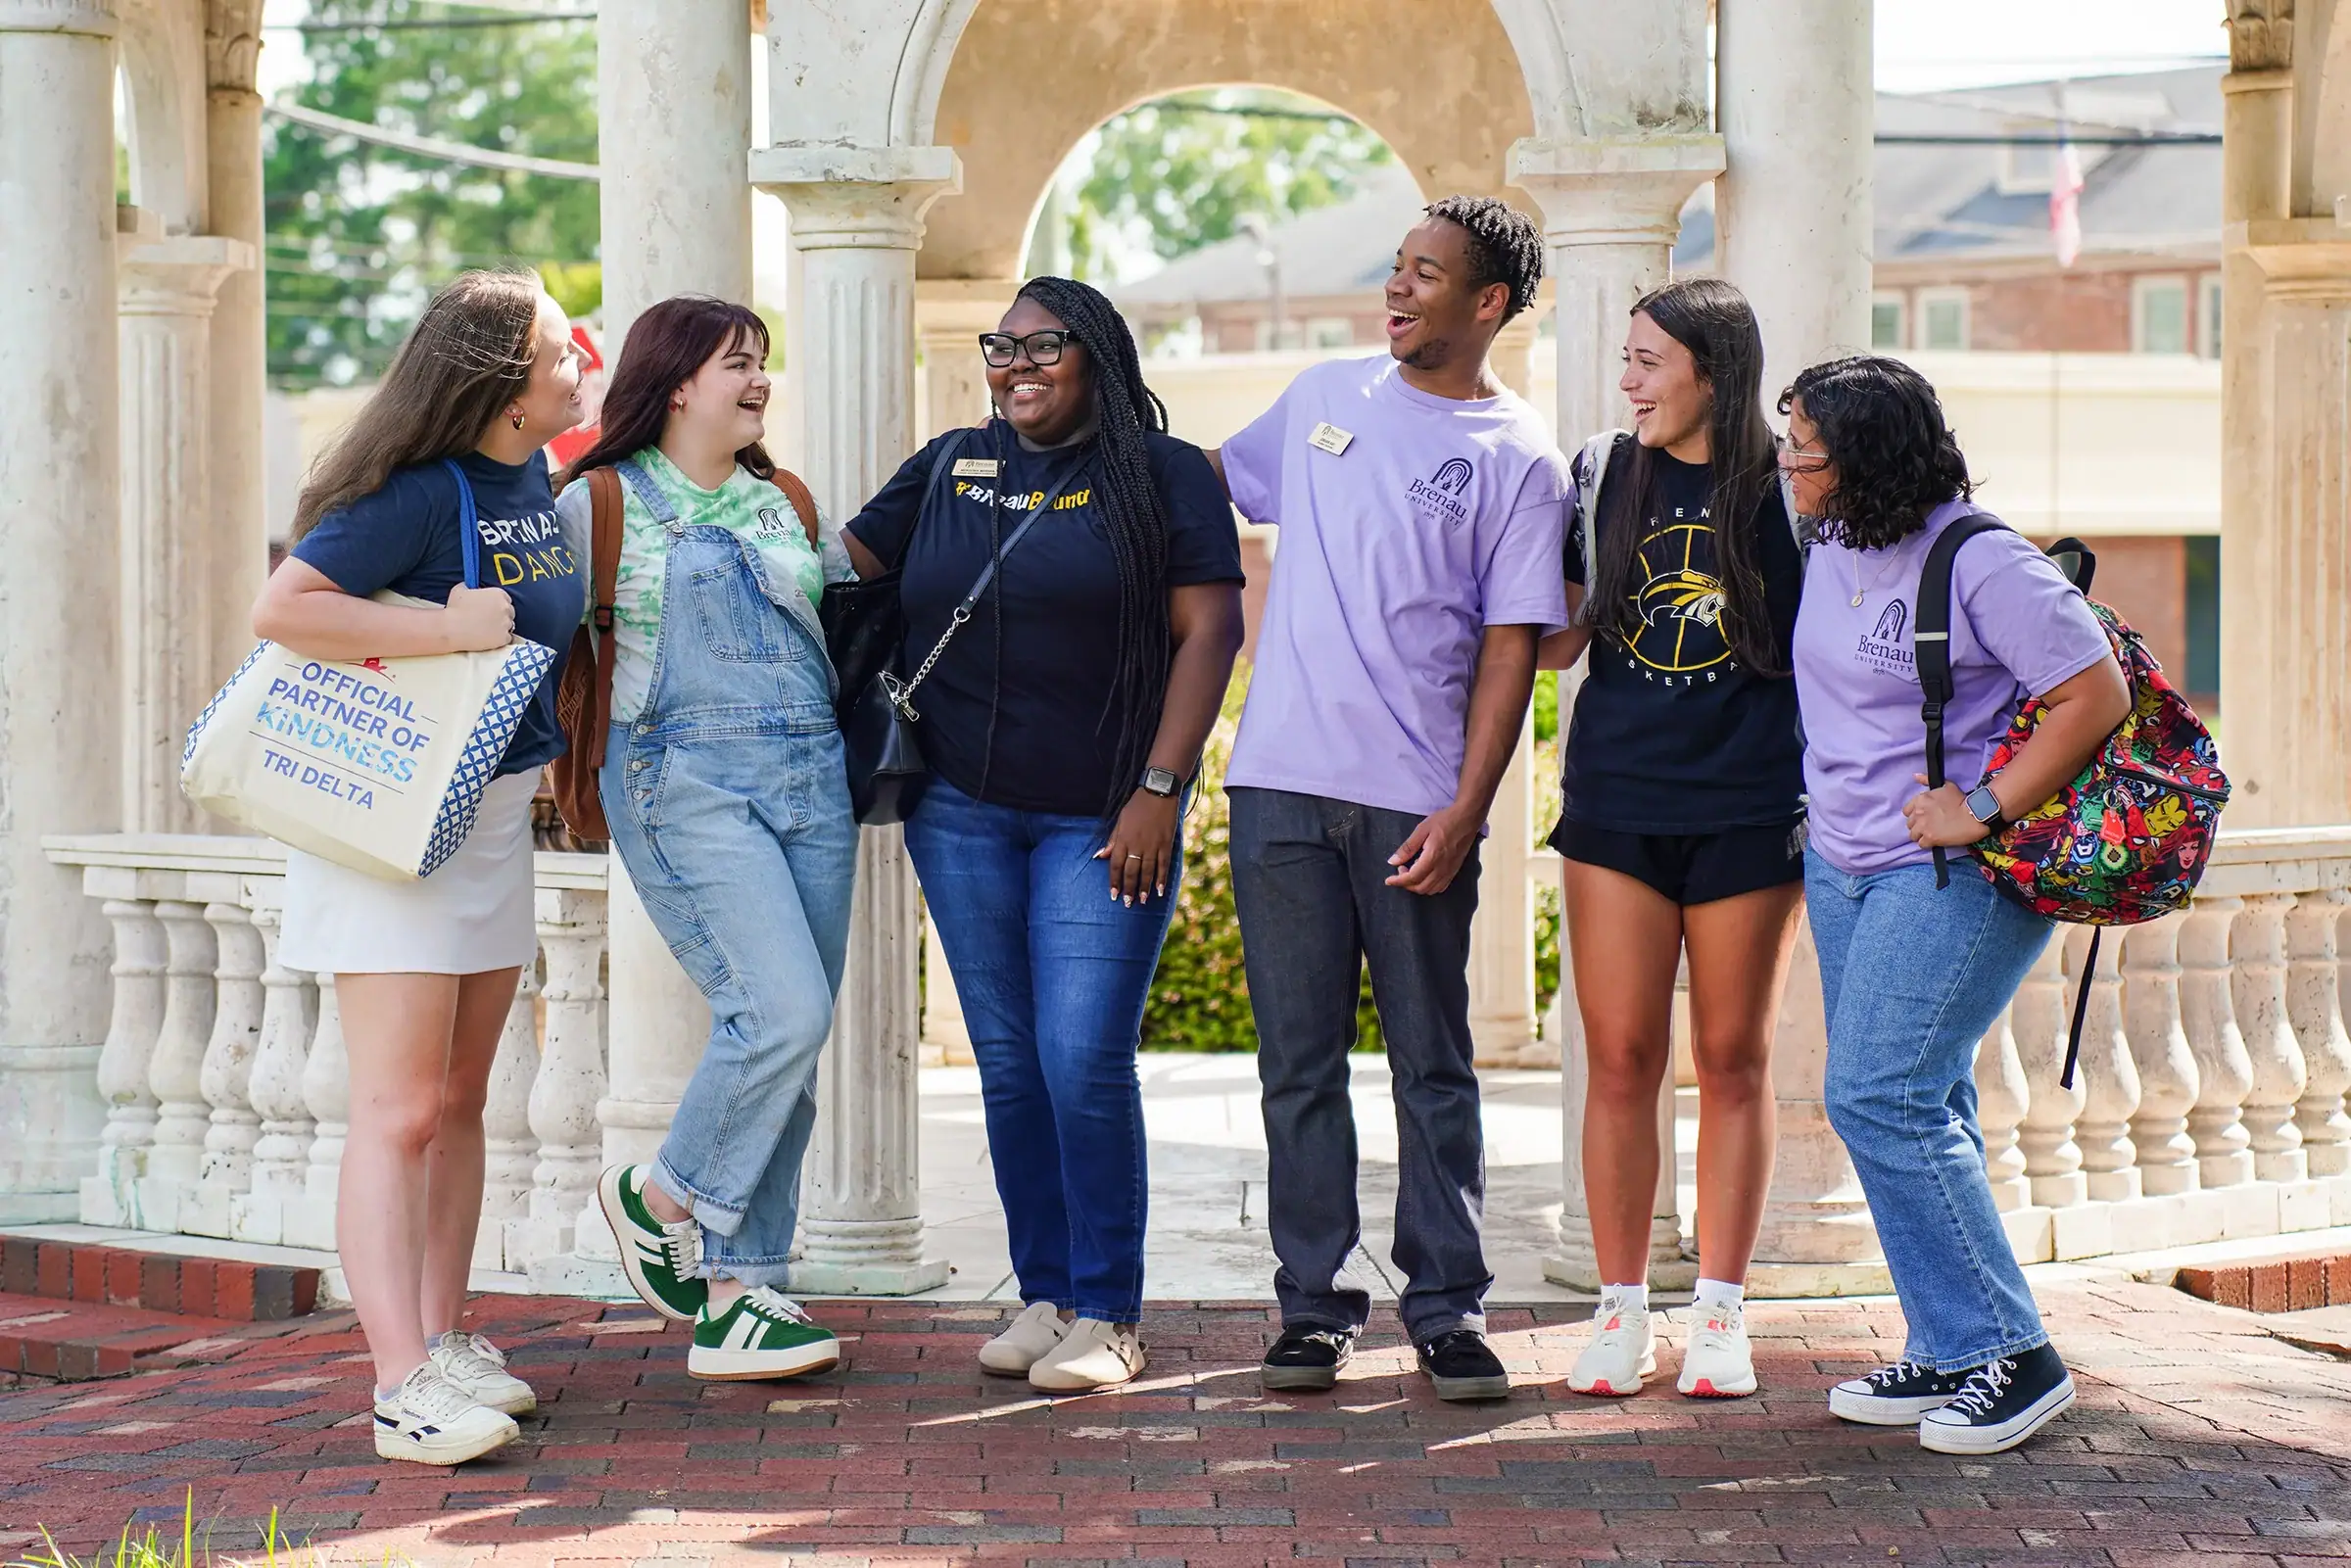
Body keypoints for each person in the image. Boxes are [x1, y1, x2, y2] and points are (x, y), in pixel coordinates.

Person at [842, 277, 1244, 1393]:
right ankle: (1048, 1293)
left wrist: (1160, 786)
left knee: (1081, 1057)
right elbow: (833, 568)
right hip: (958, 809)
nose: (1015, 365)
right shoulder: (948, 466)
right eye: (1000, 346)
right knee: (1011, 1064)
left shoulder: (1161, 473)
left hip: (1105, 815)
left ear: (1098, 354)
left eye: (1042, 345)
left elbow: (1211, 629)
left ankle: (1110, 1309)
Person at [1208, 195, 1566, 1402]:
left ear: (1489, 303)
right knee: (1297, 1064)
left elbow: (1514, 648)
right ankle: (1312, 1308)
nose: (1398, 288)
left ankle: (1448, 1307)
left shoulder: (1518, 455)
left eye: (1427, 273)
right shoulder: (1323, 395)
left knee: (1433, 1062)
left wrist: (1467, 807)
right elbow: (1207, 489)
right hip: (1278, 787)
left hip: (1415, 803)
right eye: (1398, 266)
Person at [254, 270, 587, 1464]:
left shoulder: (531, 480)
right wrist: (440, 628)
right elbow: (285, 607)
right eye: (560, 349)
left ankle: (444, 1337)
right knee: (395, 1109)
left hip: (488, 817)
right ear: (503, 381)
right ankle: (398, 1381)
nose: (580, 363)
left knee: (458, 1098)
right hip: (390, 825)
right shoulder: (410, 491)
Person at [1782, 356, 2129, 1454]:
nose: (1786, 461)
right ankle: (1948, 1342)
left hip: (1955, 872)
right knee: (1925, 1096)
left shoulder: (1982, 559)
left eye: (1805, 446)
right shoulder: (1829, 541)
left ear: (1865, 457)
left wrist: (1981, 804)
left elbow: (2095, 692)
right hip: (1842, 863)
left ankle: (2014, 1352)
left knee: (1878, 1094)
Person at [567, 297, 859, 1384]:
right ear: (678, 380)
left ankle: (740, 1292)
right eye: (738, 362)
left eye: (762, 361)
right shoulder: (597, 502)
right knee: (779, 1011)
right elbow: (523, 637)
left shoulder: (786, 501)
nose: (759, 379)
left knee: (794, 1041)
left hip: (812, 779)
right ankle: (661, 1196)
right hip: (680, 781)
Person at [1536, 279, 1805, 1401]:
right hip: (1616, 807)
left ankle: (1722, 1314)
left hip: (1750, 807)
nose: (1629, 381)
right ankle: (1621, 1310)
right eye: (1627, 359)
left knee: (1733, 1058)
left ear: (1712, 370)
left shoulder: (1792, 488)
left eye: (1649, 361)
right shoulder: (1601, 473)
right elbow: (1555, 639)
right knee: (1621, 1059)